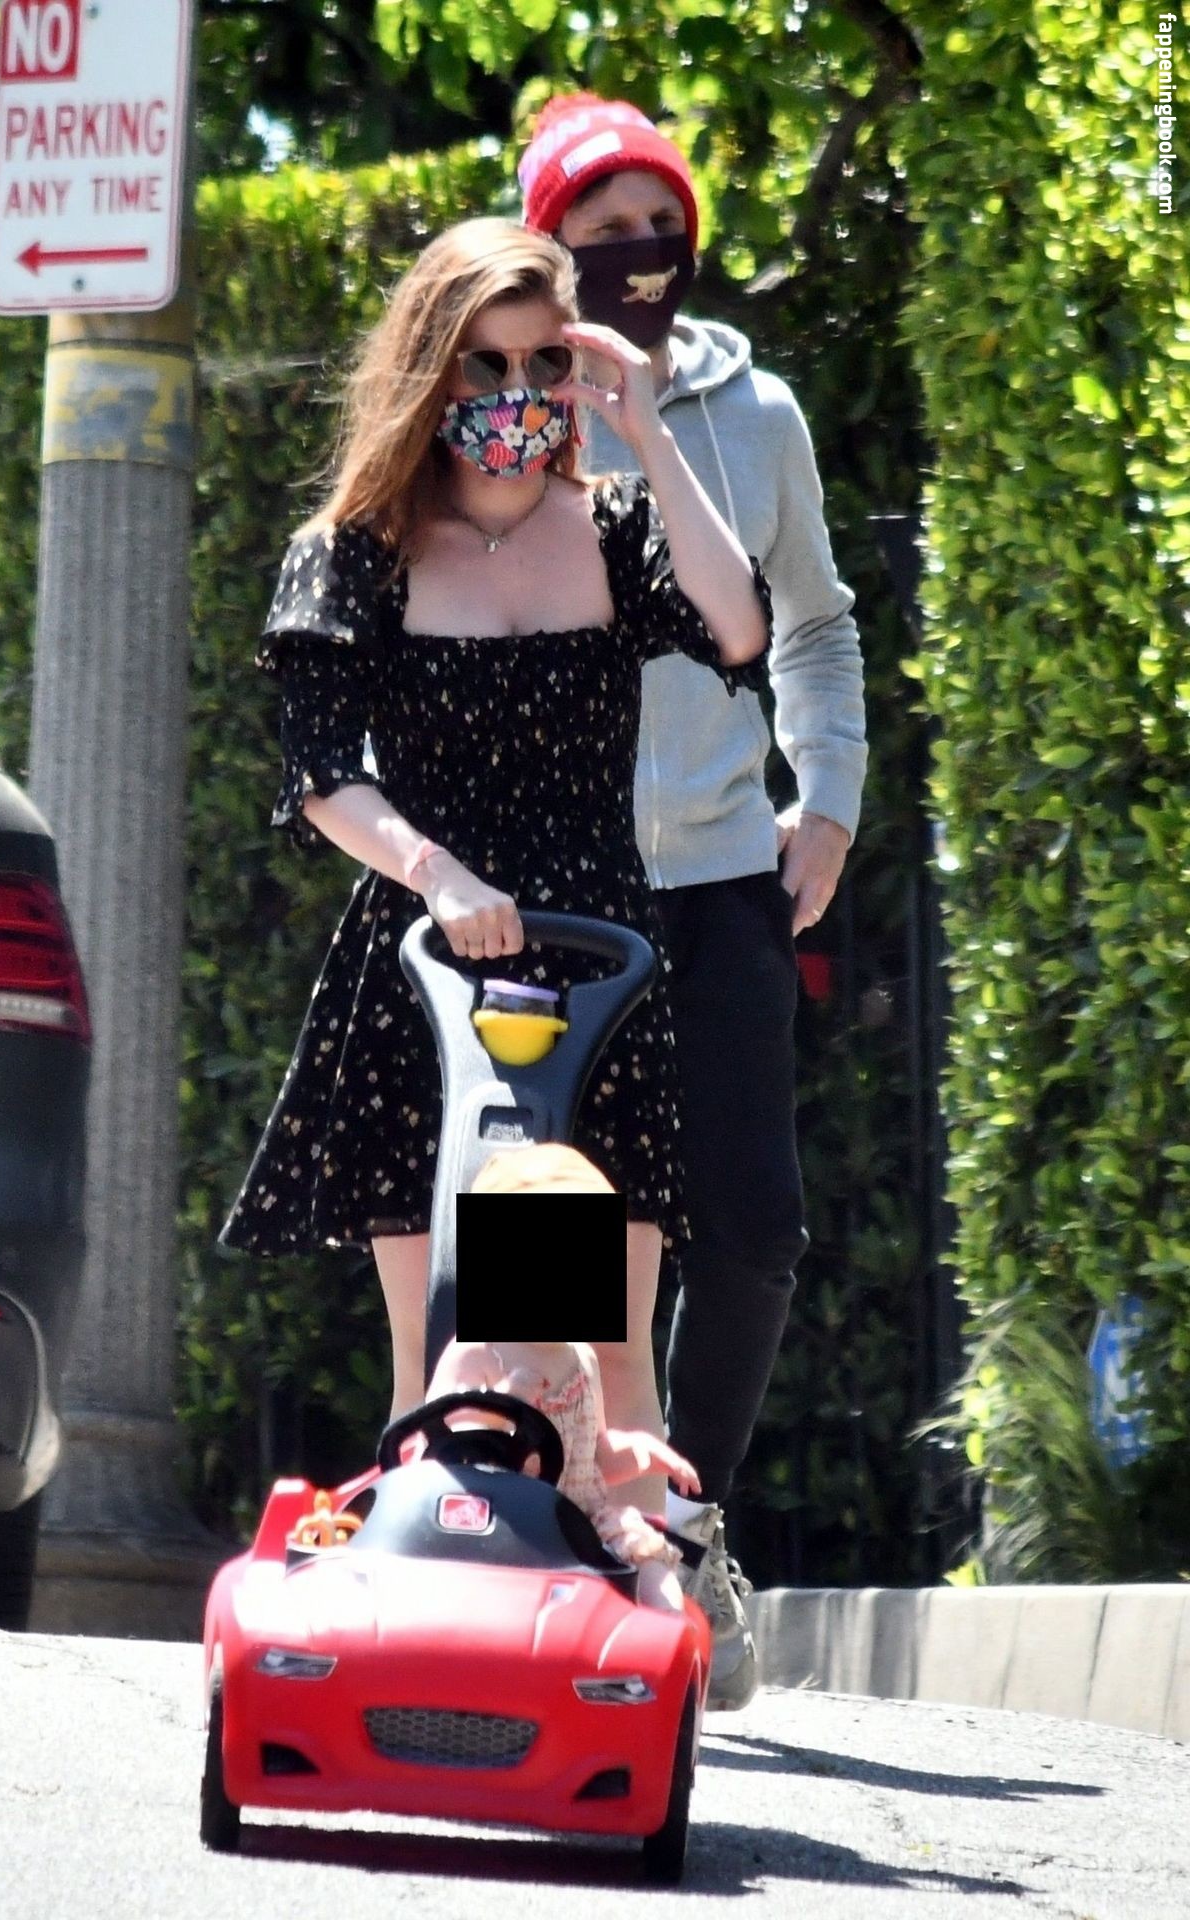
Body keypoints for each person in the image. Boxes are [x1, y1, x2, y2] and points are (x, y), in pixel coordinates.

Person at [219, 219, 772, 1535]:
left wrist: (648, 436)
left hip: (590, 974)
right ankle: (432, 1588)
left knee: (606, 1372)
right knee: (447, 1369)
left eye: (541, 363)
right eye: (486, 364)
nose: (516, 392)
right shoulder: (358, 550)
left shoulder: (613, 529)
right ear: (433, 370)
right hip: (433, 975)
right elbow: (321, 774)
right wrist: (439, 875)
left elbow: (739, 625)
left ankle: (647, 1585)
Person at [518, 95, 868, 1707]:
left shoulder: (756, 410)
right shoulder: (506, 403)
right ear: (549, 250)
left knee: (753, 1228)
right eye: (603, 236)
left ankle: (689, 1521)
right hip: (557, 885)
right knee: (558, 1223)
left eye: (662, 228)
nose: (639, 257)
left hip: (725, 872)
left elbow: (813, 623)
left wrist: (828, 798)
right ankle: (564, 1538)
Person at [424, 1144, 700, 1611]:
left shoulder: (581, 1360)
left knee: (648, 1558)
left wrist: (642, 1452)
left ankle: (663, 1640)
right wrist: (503, 1403)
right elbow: (441, 1451)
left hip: (576, 1528)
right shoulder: (479, 1352)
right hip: (491, 1526)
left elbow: (592, 1456)